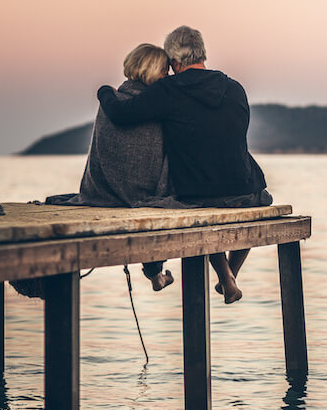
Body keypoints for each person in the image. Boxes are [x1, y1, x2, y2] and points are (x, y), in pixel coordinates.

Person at [97, 26, 271, 303]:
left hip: (197, 191)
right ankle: (230, 275)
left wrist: (104, 91)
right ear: (203, 53)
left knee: (202, 207)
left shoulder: (169, 89)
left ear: (175, 62)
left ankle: (228, 278)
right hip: (245, 188)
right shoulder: (235, 88)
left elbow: (121, 114)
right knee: (257, 201)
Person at [47, 43, 174, 292]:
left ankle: (156, 274)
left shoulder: (111, 101)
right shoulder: (156, 105)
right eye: (164, 71)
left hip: (101, 191)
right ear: (152, 70)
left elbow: (100, 150)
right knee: (161, 199)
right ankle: (155, 272)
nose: (167, 76)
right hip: (142, 193)